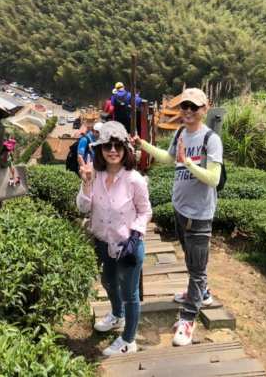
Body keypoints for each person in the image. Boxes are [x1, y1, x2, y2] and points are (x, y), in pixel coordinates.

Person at [132, 88, 222, 346]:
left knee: (196, 269)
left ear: (205, 109)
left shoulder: (210, 139)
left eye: (194, 107)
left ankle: (188, 319)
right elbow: (169, 158)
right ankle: (201, 293)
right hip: (180, 210)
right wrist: (143, 144)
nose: (189, 112)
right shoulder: (181, 133)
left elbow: (213, 178)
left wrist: (190, 163)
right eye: (185, 107)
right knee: (191, 261)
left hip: (200, 215)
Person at [76, 121, 151, 356]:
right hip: (102, 241)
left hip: (128, 245)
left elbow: (146, 211)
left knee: (130, 293)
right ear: (99, 149)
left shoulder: (134, 179)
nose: (113, 151)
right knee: (108, 282)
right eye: (107, 146)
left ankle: (129, 339)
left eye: (118, 146)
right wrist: (87, 182)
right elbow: (81, 208)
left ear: (125, 149)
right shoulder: (94, 176)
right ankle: (116, 315)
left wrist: (136, 234)